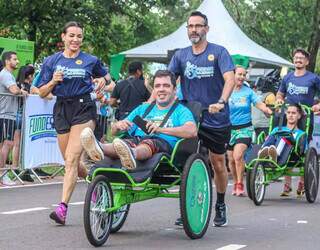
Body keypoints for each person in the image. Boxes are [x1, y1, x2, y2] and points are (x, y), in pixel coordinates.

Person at [38, 21, 109, 225]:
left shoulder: (91, 60)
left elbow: (109, 80)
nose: (75, 40)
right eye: (71, 36)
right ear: (63, 37)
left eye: (79, 36)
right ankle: (97, 187)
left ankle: (62, 209)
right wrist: (53, 81)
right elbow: (42, 92)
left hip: (84, 108)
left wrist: (103, 82)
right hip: (61, 109)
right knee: (73, 164)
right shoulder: (51, 61)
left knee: (71, 159)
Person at [169, 11, 235, 227]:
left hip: (216, 117)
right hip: (190, 118)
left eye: (198, 26)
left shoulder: (219, 52)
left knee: (217, 163)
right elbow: (166, 81)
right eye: (190, 26)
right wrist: (152, 104)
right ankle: (188, 208)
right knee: (186, 162)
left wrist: (222, 102)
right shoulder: (180, 55)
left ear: (206, 28)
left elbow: (230, 79)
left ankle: (221, 204)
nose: (194, 30)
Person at [80, 70, 197, 170]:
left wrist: (160, 129)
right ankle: (99, 147)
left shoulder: (181, 111)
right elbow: (115, 131)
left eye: (166, 86)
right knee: (125, 142)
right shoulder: (143, 109)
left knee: (149, 143)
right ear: (154, 89)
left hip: (162, 145)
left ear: (174, 90)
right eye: (157, 86)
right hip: (136, 140)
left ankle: (132, 154)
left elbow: (192, 130)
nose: (161, 89)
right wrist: (118, 125)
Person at [276, 48, 320, 195]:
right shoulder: (287, 77)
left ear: (307, 61)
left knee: (302, 147)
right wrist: (279, 100)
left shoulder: (313, 78)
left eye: (301, 58)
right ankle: (287, 185)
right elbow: (280, 94)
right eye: (296, 57)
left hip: (305, 116)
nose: (298, 60)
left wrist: (318, 105)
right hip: (288, 115)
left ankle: (302, 182)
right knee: (286, 142)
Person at [227, 66, 272, 196]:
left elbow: (259, 103)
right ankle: (235, 182)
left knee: (238, 156)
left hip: (244, 128)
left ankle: (240, 183)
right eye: (239, 74)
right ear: (233, 75)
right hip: (229, 130)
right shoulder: (226, 90)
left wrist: (266, 110)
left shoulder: (248, 92)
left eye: (244, 75)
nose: (241, 77)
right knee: (230, 159)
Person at [257, 104, 307, 196]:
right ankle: (263, 152)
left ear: (299, 116)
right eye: (288, 113)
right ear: (286, 115)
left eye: (293, 113)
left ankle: (274, 155)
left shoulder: (301, 134)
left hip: (288, 152)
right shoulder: (276, 129)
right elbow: (269, 138)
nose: (291, 115)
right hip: (271, 147)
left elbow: (303, 149)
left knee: (283, 137)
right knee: (272, 136)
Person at [0, 51, 27, 186]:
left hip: (6, 114)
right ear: (7, 61)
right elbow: (14, 90)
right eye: (15, 59)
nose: (18, 62)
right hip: (5, 114)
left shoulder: (7, 74)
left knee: (5, 145)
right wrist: (22, 91)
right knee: (8, 144)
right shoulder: (5, 75)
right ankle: (2, 175)